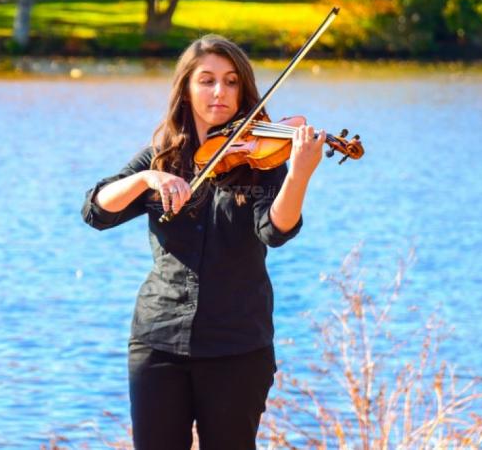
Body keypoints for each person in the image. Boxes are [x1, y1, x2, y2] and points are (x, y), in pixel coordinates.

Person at [81, 34, 326, 450]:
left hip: (236, 345)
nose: (220, 92)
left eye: (231, 82)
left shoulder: (261, 158)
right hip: (158, 341)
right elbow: (96, 210)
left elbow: (276, 230)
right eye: (207, 80)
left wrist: (300, 173)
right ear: (186, 89)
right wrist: (146, 179)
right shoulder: (162, 156)